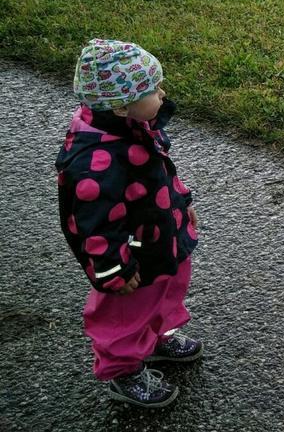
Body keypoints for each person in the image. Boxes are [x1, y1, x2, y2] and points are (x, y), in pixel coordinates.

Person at [55, 38, 201, 408]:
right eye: (153, 89)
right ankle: (122, 369)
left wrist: (182, 202)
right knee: (125, 311)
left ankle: (155, 336)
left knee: (168, 285)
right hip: (129, 255)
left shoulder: (137, 125)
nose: (163, 94)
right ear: (121, 107)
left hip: (161, 233)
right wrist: (112, 270)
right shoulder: (95, 159)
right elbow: (91, 225)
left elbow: (162, 169)